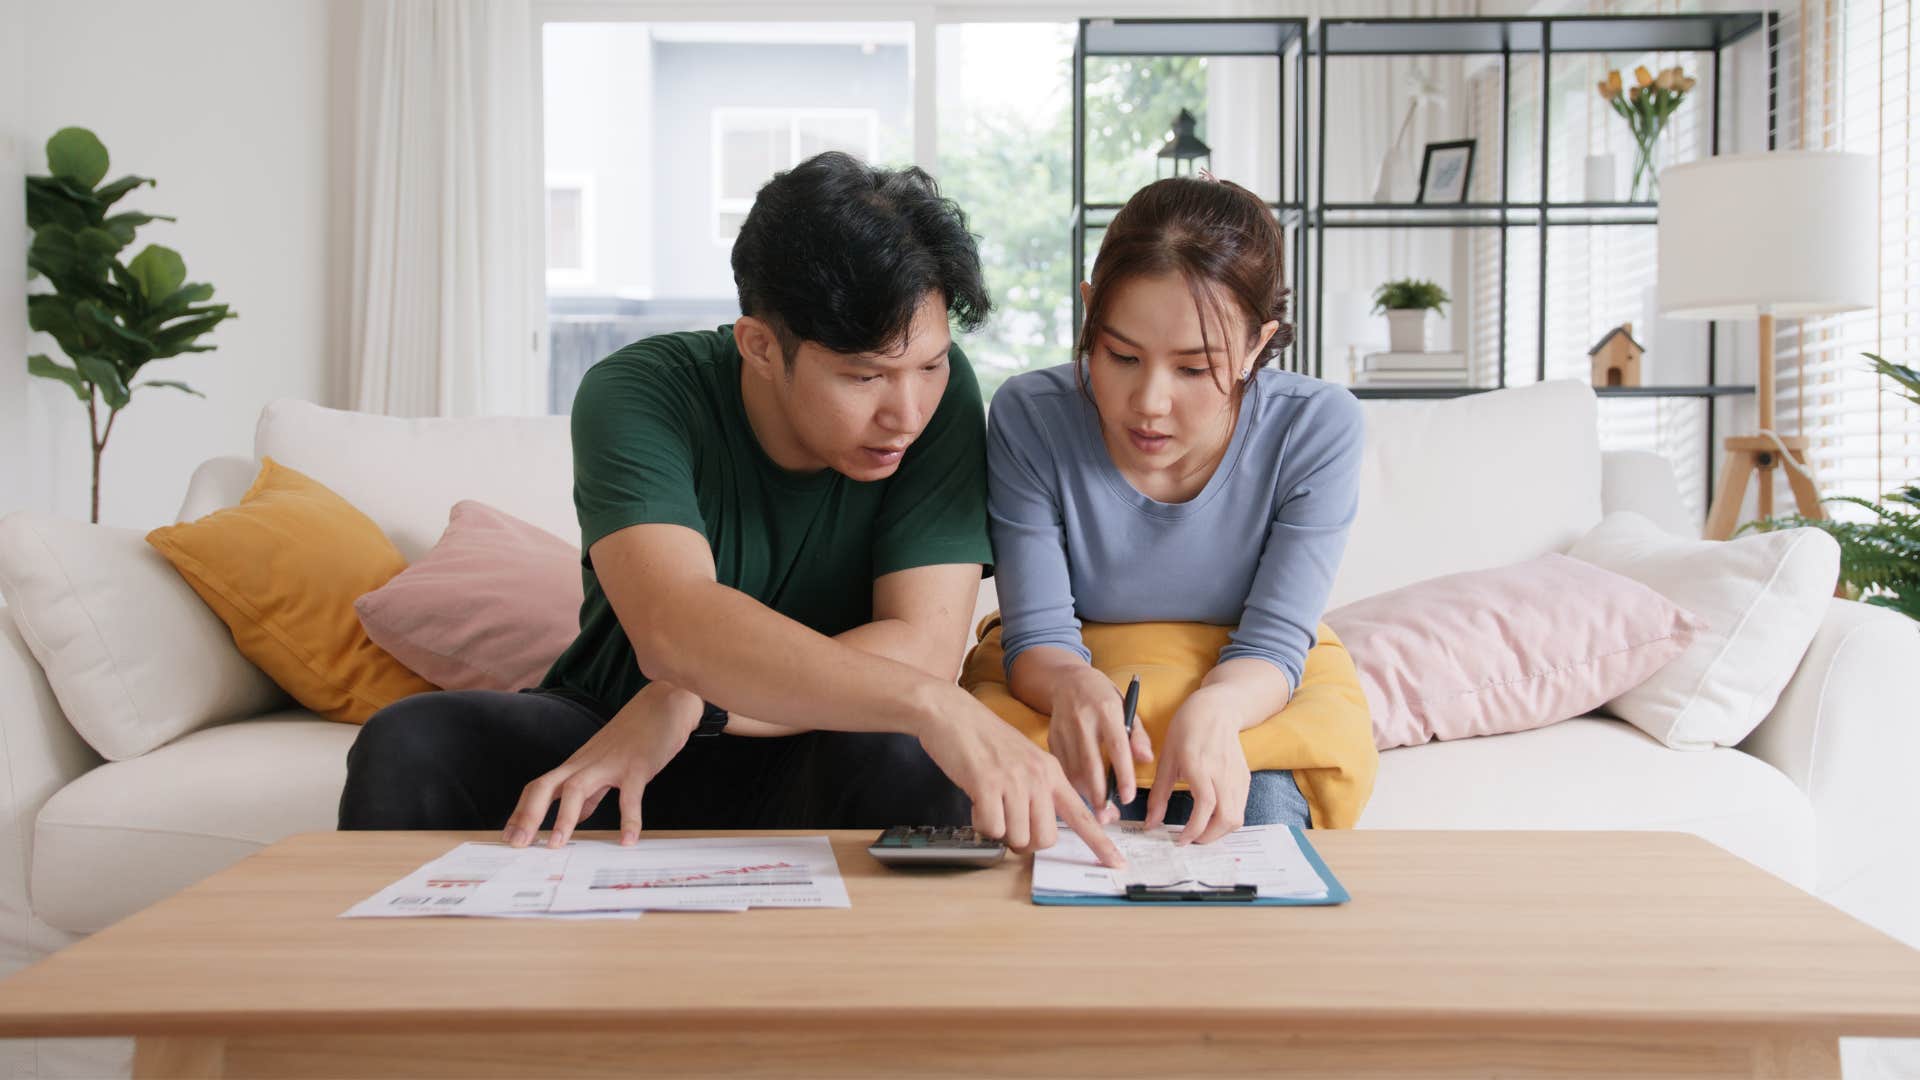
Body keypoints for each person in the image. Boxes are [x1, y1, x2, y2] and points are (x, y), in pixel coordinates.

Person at [337, 152, 1122, 868]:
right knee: (409, 742)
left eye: (930, 365)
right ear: (759, 346)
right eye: (864, 377)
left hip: (806, 739)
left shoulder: (939, 404)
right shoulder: (638, 392)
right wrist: (930, 705)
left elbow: (921, 644)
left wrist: (693, 700)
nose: (906, 412)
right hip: (613, 727)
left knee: (903, 757)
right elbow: (677, 625)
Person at [970, 173, 1371, 846]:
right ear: (1089, 314)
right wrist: (1074, 687)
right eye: (1121, 355)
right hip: (1068, 679)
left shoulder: (1316, 426)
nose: (1149, 403)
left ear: (1256, 345)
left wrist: (1217, 707)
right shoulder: (1030, 415)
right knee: (1043, 840)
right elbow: (1038, 635)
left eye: (1193, 368)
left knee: (1254, 832)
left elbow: (1274, 643)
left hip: (1252, 686)